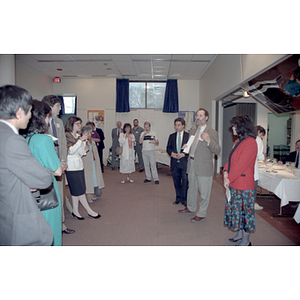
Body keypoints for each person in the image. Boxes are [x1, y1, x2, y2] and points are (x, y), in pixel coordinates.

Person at [0, 85, 53, 246]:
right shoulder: (12, 140)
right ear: (18, 112)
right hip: (17, 218)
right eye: (29, 111)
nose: (30, 116)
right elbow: (44, 179)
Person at [26, 100, 63, 246]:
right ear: (42, 118)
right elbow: (57, 171)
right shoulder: (43, 140)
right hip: (46, 190)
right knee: (51, 230)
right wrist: (61, 165)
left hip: (30, 190)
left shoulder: (26, 138)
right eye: (48, 117)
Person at [178, 108, 221, 222]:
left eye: (201, 115)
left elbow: (217, 150)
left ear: (206, 118)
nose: (198, 118)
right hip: (191, 163)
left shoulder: (212, 132)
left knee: (204, 192)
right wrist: (187, 147)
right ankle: (191, 208)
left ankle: (201, 213)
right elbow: (194, 147)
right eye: (197, 115)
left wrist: (208, 141)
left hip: (204, 166)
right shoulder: (193, 131)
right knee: (191, 189)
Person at [42, 94, 75, 235]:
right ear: (50, 107)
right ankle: (46, 226)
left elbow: (62, 143)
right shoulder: (40, 123)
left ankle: (61, 224)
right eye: (58, 106)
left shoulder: (59, 122)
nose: (60, 108)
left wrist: (63, 161)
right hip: (45, 166)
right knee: (47, 196)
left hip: (59, 164)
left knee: (60, 195)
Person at [223, 115, 257, 246]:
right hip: (234, 182)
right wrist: (225, 172)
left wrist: (228, 179)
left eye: (235, 125)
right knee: (236, 211)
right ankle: (239, 234)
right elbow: (230, 160)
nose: (233, 127)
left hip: (244, 184)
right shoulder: (239, 141)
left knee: (245, 213)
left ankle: (246, 240)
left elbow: (241, 165)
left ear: (242, 127)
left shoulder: (251, 142)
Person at [65, 117, 101, 220]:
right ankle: (89, 211)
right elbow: (71, 151)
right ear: (71, 124)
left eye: (80, 124)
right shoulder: (67, 135)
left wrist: (85, 149)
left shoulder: (77, 136)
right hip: (71, 167)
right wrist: (80, 140)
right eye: (77, 124)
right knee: (79, 191)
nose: (79, 126)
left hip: (79, 165)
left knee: (76, 191)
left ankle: (75, 211)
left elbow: (80, 153)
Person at [166, 117, 189, 206]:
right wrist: (172, 154)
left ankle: (184, 199)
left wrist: (184, 154)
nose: (177, 127)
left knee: (185, 181)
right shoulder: (172, 136)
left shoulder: (188, 136)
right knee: (176, 181)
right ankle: (178, 197)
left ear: (183, 126)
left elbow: (191, 149)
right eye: (175, 125)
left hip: (184, 162)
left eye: (179, 125)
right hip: (174, 162)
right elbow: (168, 148)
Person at [83, 123, 105, 201]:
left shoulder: (91, 141)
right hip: (87, 162)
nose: (90, 134)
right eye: (88, 133)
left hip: (93, 161)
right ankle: (88, 195)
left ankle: (91, 194)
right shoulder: (83, 141)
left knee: (93, 178)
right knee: (88, 178)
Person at [254, 125, 266, 210]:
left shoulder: (248, 138)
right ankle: (253, 203)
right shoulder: (258, 140)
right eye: (262, 134)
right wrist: (264, 159)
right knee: (253, 186)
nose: (261, 137)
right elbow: (259, 154)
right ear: (259, 132)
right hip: (253, 167)